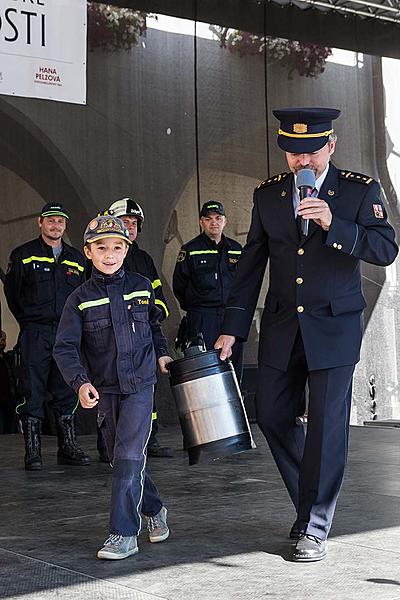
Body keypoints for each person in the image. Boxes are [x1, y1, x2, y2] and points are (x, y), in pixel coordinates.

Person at [215, 107, 398, 562]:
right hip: (281, 326)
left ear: (331, 147)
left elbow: (386, 248)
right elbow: (250, 266)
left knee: (326, 427)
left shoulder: (359, 191)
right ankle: (309, 500)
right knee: (273, 414)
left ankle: (314, 524)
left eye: (311, 152)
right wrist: (231, 329)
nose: (302, 162)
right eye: (293, 154)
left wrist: (333, 224)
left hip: (334, 328)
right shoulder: (269, 197)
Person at [53, 215, 172, 560]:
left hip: (140, 384)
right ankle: (155, 509)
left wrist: (162, 356)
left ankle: (123, 533)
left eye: (117, 247)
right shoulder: (79, 299)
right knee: (121, 460)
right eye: (101, 247)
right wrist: (80, 382)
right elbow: (64, 347)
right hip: (104, 388)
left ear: (126, 249)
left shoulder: (140, 285)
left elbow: (153, 327)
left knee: (128, 456)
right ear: (88, 252)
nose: (110, 254)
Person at [4, 203, 90, 470]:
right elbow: (13, 294)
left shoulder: (77, 258)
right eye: (50, 221)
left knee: (66, 388)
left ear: (65, 225)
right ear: (40, 223)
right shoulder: (24, 255)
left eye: (60, 222)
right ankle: (33, 452)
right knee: (32, 390)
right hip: (35, 332)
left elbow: (83, 295)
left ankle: (68, 447)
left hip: (66, 334)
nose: (56, 226)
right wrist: (29, 320)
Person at [97, 197, 172, 459]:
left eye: (133, 223)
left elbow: (158, 297)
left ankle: (149, 439)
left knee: (144, 390)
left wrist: (151, 315)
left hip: (141, 338)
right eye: (125, 222)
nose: (130, 227)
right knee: (111, 394)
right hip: (111, 341)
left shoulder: (143, 259)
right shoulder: (102, 257)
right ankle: (107, 444)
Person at [173, 200, 243, 381]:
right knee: (207, 371)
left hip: (231, 317)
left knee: (233, 369)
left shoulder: (236, 249)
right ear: (201, 222)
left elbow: (244, 284)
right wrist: (197, 307)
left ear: (225, 221)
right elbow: (179, 285)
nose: (214, 222)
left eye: (218, 218)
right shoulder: (190, 249)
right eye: (208, 219)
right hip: (203, 317)